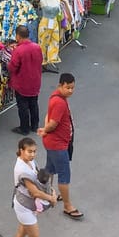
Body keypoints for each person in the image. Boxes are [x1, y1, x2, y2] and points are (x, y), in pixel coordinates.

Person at [11, 137, 56, 237]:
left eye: (34, 152)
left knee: (22, 231)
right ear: (21, 151)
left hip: (24, 203)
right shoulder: (21, 169)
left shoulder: (29, 162)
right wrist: (51, 198)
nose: (32, 155)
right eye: (29, 151)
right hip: (25, 207)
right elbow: (35, 192)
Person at [37, 73, 82, 219]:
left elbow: (48, 117)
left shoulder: (56, 98)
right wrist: (46, 129)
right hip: (58, 145)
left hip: (53, 143)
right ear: (60, 85)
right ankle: (67, 206)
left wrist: (45, 129)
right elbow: (53, 122)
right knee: (64, 175)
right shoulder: (60, 102)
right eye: (68, 87)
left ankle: (44, 192)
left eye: (72, 88)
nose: (70, 91)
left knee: (50, 168)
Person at [8, 24, 43, 135]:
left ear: (18, 36)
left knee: (23, 106)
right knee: (34, 104)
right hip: (35, 81)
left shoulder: (18, 51)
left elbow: (13, 67)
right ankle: (34, 125)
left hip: (22, 83)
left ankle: (24, 128)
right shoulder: (37, 47)